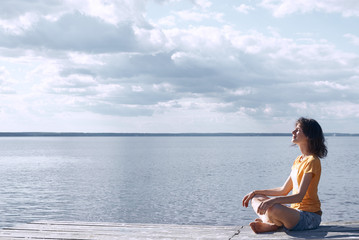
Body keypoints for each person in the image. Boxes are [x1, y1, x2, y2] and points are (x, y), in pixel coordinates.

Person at [242, 117, 328, 233]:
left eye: (298, 130)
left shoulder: (312, 161)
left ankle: (270, 222)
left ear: (308, 135)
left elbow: (299, 197)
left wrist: (273, 201)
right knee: (256, 199)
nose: (293, 132)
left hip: (309, 216)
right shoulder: (299, 160)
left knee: (274, 207)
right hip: (294, 213)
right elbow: (283, 190)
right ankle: (271, 222)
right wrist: (256, 191)